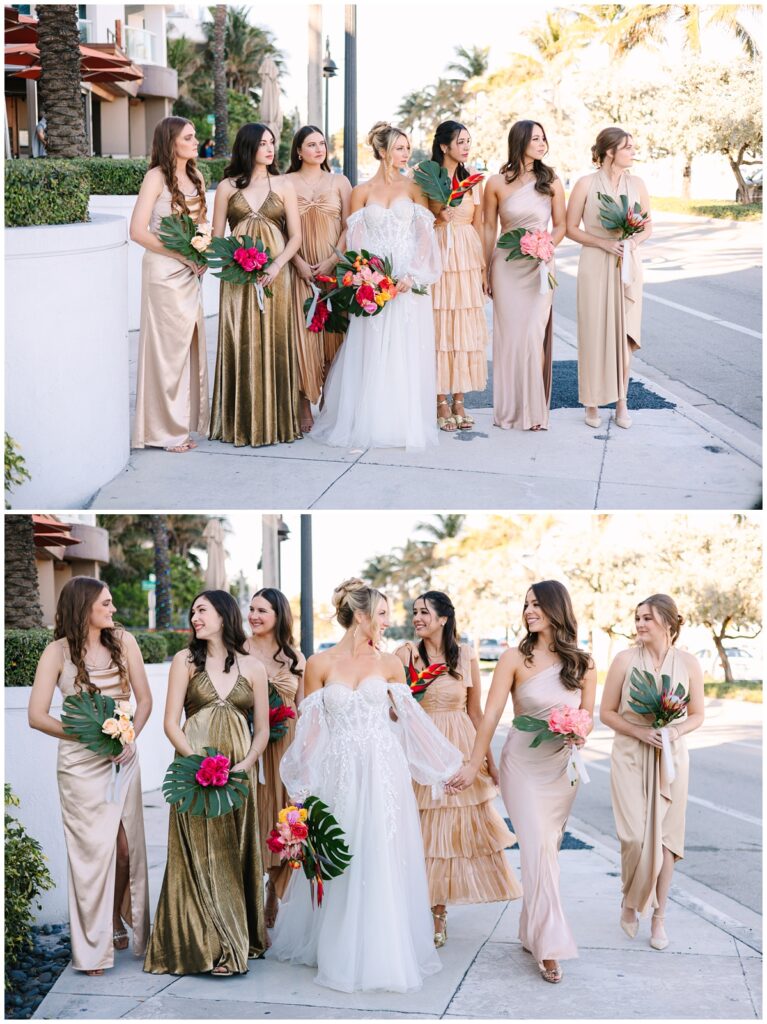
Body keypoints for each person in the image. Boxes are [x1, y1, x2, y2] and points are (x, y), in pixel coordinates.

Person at [268, 578, 462, 993]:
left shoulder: (391, 664)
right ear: (361, 616)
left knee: (380, 851)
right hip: (337, 771)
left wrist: (444, 767)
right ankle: (336, 944)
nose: (389, 624)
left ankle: (382, 947)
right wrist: (300, 789)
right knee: (344, 850)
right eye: (383, 615)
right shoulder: (320, 664)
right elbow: (309, 733)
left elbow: (410, 721)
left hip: (383, 771)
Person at [449, 580, 597, 985]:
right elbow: (490, 715)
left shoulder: (583, 664)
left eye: (537, 604)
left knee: (545, 852)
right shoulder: (514, 658)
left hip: (561, 770)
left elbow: (587, 721)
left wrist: (577, 732)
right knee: (537, 850)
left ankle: (531, 930)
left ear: (557, 610)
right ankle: (550, 947)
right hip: (523, 766)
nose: (529, 611)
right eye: (527, 604)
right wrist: (474, 764)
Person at [28, 577, 152, 975]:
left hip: (123, 757)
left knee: (125, 847)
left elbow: (144, 700)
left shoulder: (124, 642)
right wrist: (88, 731)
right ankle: (92, 949)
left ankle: (117, 917)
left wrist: (128, 737)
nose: (113, 610)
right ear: (84, 607)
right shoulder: (56, 653)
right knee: (90, 855)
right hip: (80, 765)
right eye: (106, 603)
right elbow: (37, 715)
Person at [144, 590, 270, 975]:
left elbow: (261, 730)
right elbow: (169, 722)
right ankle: (213, 947)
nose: (195, 617)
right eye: (193, 610)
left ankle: (236, 937)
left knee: (229, 856)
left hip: (236, 777)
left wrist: (244, 765)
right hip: (192, 776)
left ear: (223, 614)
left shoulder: (253, 667)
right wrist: (198, 764)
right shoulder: (185, 661)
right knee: (198, 856)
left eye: (202, 610)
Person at [394, 592, 521, 948]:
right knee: (420, 832)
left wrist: (488, 763)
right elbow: (392, 709)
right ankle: (416, 907)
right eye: (414, 612)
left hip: (459, 748)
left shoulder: (464, 655)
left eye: (424, 612)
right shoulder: (405, 654)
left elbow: (477, 713)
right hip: (419, 749)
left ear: (444, 618)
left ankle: (438, 913)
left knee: (448, 835)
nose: (417, 618)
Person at [310, 122, 442, 451]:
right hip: (373, 284)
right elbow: (354, 244)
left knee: (405, 351)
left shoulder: (415, 188)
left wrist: (411, 275)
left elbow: (426, 237)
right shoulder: (361, 191)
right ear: (383, 151)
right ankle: (368, 421)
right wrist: (366, 278)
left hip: (407, 283)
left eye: (407, 148)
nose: (406, 153)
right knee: (371, 348)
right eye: (399, 147)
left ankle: (401, 423)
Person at [600, 594, 704, 951]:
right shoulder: (624, 660)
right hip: (630, 752)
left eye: (647, 618)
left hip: (671, 758)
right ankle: (631, 900)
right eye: (638, 618)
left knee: (667, 842)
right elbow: (607, 713)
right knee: (634, 837)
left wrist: (673, 731)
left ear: (669, 624)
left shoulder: (689, 663)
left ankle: (659, 917)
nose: (640, 624)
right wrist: (641, 731)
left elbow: (697, 714)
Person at [209, 123, 303, 448]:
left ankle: (277, 423)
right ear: (248, 146)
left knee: (275, 337)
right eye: (263, 143)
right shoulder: (226, 187)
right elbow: (215, 236)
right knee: (240, 339)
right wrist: (232, 261)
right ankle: (239, 423)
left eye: (272, 142)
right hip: (237, 277)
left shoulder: (284, 184)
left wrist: (277, 265)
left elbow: (297, 237)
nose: (270, 148)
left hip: (276, 275)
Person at [130, 116, 210, 452]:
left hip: (191, 272)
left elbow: (202, 224)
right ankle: (164, 433)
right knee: (165, 353)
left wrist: (203, 251)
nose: (196, 142)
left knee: (185, 349)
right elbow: (137, 231)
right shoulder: (155, 177)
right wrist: (180, 255)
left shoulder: (196, 175)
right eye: (189, 138)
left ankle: (181, 423)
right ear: (171, 142)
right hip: (163, 273)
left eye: (194, 137)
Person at [566, 127, 652, 430]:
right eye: (627, 147)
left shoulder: (637, 184)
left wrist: (632, 242)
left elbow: (647, 226)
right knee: (593, 332)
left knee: (624, 335)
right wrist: (604, 243)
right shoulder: (585, 184)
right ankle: (591, 402)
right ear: (609, 152)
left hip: (627, 265)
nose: (633, 150)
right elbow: (570, 228)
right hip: (595, 262)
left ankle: (621, 401)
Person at [484, 121, 566, 431]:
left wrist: (546, 245)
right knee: (510, 339)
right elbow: (489, 227)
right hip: (506, 266)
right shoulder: (495, 183)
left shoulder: (552, 180)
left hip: (539, 267)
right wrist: (485, 268)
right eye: (536, 139)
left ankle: (534, 412)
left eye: (544, 138)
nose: (543, 143)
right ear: (520, 142)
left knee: (533, 334)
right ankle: (509, 410)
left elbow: (560, 225)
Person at [244, 587, 306, 929]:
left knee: (285, 820)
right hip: (251, 744)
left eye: (261, 610)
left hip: (286, 747)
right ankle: (253, 897)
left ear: (278, 616)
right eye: (251, 609)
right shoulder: (238, 652)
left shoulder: (295, 658)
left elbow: (306, 706)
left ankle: (273, 890)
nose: (253, 615)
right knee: (255, 815)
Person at [285, 125, 352, 432]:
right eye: (311, 144)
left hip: (333, 267)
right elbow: (280, 228)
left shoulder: (339, 181)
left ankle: (329, 398)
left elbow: (349, 225)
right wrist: (297, 261)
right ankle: (303, 402)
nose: (318, 149)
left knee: (334, 334)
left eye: (322, 144)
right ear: (298, 151)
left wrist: (332, 261)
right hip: (297, 268)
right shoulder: (284, 182)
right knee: (303, 333)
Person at [424, 121, 488, 432]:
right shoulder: (426, 178)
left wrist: (483, 266)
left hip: (466, 257)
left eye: (468, 141)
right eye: (460, 141)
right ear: (444, 146)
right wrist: (438, 216)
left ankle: (460, 398)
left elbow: (480, 224)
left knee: (463, 326)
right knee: (439, 327)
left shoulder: (473, 180)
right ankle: (440, 400)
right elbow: (417, 222)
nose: (465, 146)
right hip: (439, 255)